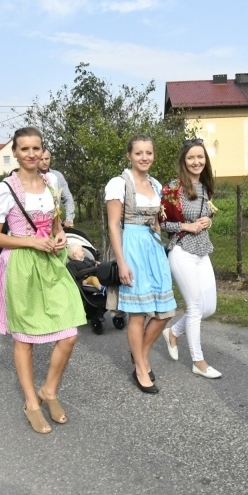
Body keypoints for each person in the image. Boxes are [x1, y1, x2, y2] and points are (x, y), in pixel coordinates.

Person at [0, 126, 86, 434]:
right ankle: (31, 402)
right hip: (21, 265)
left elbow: (56, 226)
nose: (32, 154)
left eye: (36, 149)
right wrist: (31, 242)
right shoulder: (5, 189)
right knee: (25, 339)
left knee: (69, 334)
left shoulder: (51, 185)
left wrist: (58, 238)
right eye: (25, 149)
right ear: (15, 152)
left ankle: (49, 390)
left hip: (50, 264)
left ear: (43, 151)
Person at [105, 134, 176, 394]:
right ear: (129, 156)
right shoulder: (119, 183)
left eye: (149, 153)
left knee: (165, 311)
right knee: (137, 314)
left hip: (153, 248)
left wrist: (160, 240)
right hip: (131, 246)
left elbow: (158, 220)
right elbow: (113, 224)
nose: (144, 157)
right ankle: (140, 368)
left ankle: (141, 355)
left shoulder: (156, 185)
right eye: (139, 153)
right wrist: (121, 262)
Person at [159, 139, 220, 378]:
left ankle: (173, 332)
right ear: (184, 161)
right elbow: (163, 223)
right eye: (191, 158)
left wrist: (207, 221)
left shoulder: (206, 186)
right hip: (181, 249)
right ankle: (198, 361)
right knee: (195, 307)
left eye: (200, 157)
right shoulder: (173, 189)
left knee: (209, 308)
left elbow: (204, 215)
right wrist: (188, 225)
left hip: (202, 249)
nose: (197, 162)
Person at [38, 149, 75, 227]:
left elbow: (68, 198)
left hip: (56, 223)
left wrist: (69, 219)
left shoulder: (58, 176)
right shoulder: (32, 177)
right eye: (41, 159)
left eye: (47, 159)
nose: (44, 162)